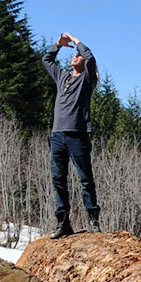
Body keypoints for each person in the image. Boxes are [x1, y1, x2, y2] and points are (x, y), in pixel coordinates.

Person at [42, 31, 101, 239]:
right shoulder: (62, 77)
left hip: (78, 135)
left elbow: (90, 57)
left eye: (78, 55)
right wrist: (58, 44)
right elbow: (46, 59)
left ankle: (93, 220)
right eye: (74, 55)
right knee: (58, 179)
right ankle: (63, 222)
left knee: (85, 178)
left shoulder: (87, 80)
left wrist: (76, 41)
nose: (75, 56)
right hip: (57, 135)